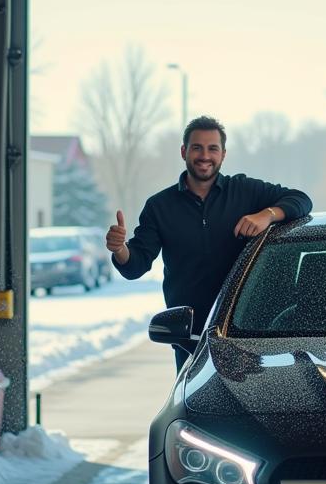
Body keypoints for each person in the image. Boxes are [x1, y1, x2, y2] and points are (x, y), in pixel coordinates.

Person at [105, 115, 312, 371]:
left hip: (248, 335)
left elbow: (301, 200)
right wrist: (120, 249)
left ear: (223, 154)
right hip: (191, 339)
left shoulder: (246, 191)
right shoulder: (159, 207)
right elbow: (135, 265)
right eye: (197, 147)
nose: (205, 155)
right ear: (184, 151)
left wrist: (266, 215)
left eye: (212, 148)